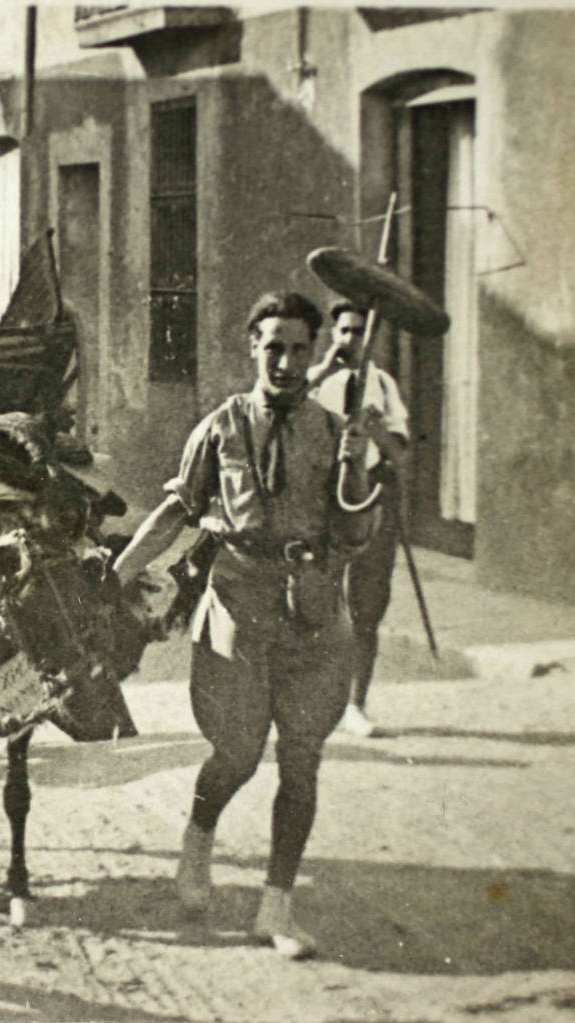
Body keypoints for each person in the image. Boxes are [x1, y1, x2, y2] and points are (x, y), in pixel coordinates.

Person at [113, 291, 376, 958]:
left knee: (303, 760)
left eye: (298, 349)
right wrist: (116, 572)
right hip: (238, 600)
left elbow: (356, 530)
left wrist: (356, 463)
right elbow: (178, 509)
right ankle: (198, 839)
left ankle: (276, 908)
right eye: (273, 347)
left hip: (315, 609)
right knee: (236, 752)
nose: (286, 361)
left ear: (313, 353)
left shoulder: (333, 429)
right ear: (251, 347)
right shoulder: (222, 426)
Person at [310, 301, 411, 738]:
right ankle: (315, 699)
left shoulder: (384, 386)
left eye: (359, 332)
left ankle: (355, 704)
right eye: (344, 331)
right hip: (321, 506)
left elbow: (400, 453)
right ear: (334, 334)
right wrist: (324, 368)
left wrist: (376, 432)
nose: (351, 340)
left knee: (366, 608)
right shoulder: (318, 383)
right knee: (318, 607)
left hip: (369, 502)